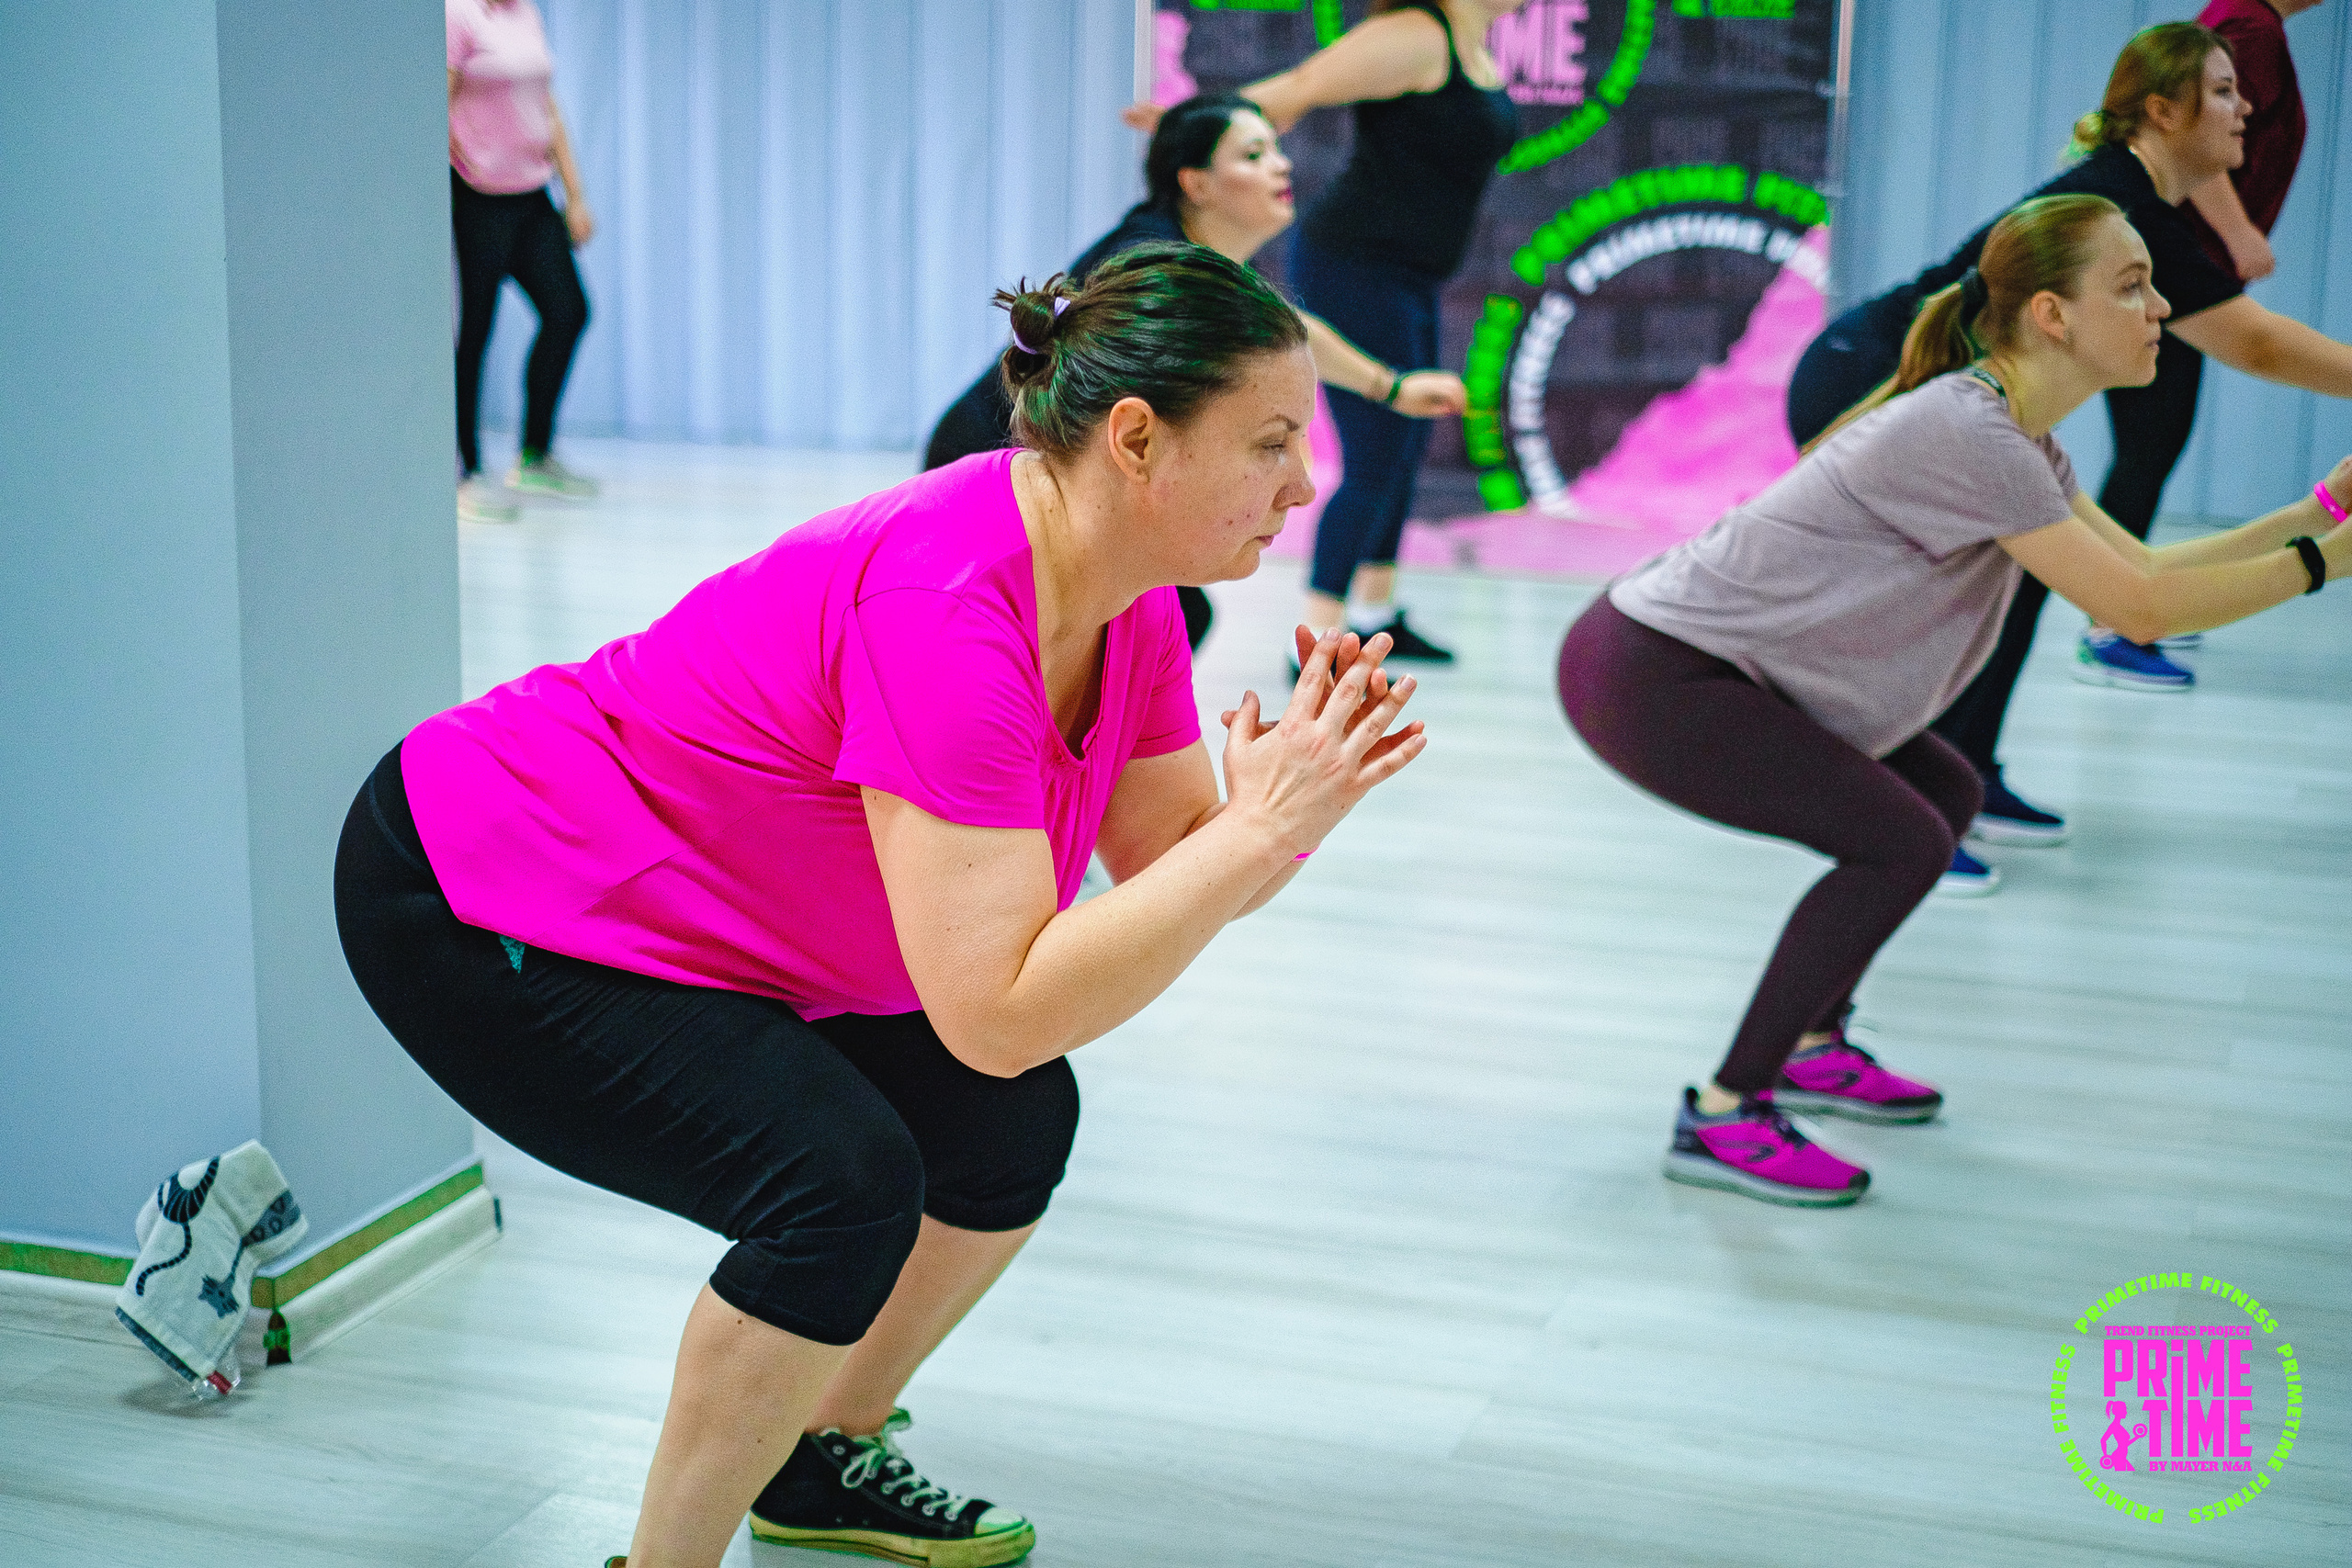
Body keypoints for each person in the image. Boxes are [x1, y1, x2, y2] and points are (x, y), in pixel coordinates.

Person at [335, 243, 1427, 1568]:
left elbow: (1168, 859)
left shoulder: (1125, 596)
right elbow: (1003, 1006)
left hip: (696, 913)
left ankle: (815, 1452)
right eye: (1270, 442)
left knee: (1008, 1126)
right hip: (483, 888)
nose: (1306, 483)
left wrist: (1281, 811)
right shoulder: (952, 609)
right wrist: (1256, 834)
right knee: (836, 1183)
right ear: (1137, 439)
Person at [1564, 194, 2351, 1208]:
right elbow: (2141, 610)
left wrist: (2318, 514)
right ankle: (1723, 1110)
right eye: (2132, 284)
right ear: (2051, 318)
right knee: (1901, 839)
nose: (2160, 307)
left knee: (1943, 791)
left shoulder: (2012, 435)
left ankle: (1808, 1043)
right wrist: (2323, 563)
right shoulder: (1969, 432)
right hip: (1651, 673)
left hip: (1690, 659)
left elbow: (2144, 567)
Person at [1786, 22, 2352, 892]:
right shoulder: (2120, 210)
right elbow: (2260, 347)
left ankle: (1960, 776)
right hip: (1863, 375)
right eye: (2225, 91)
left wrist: (2318, 515)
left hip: (1888, 376)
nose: (2248, 111)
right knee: (1960, 594)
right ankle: (1916, 808)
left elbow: (2143, 566)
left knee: (2030, 573)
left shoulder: (2143, 210)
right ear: (2162, 111)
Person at [930, 92, 1468, 654]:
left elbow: (1282, 328)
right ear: (1196, 183)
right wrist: (1389, 387)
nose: (1281, 165)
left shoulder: (1202, 256)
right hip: (991, 460)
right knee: (1154, 625)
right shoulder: (1152, 257)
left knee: (1169, 623)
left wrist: (1391, 388)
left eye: (1275, 151)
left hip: (1050, 463)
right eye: (1253, 155)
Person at [1136, 1, 1525, 666]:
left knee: (1404, 446)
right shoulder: (1415, 37)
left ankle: (1375, 614)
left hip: (1411, 273)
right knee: (1378, 452)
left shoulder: (1473, 46)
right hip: (1357, 264)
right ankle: (1315, 642)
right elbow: (1294, 92)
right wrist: (1187, 131)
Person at [447, 0, 598, 525]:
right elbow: (436, 107)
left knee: (568, 312)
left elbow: (546, 108)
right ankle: (463, 474)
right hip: (476, 194)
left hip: (532, 195)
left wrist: (574, 195)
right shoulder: (457, 15)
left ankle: (534, 455)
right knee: (475, 332)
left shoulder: (525, 14)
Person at [2184, 0, 2321, 287]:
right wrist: (2238, 233)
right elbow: (2194, 133)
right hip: (2193, 253)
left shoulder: (2240, 15)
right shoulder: (2252, 31)